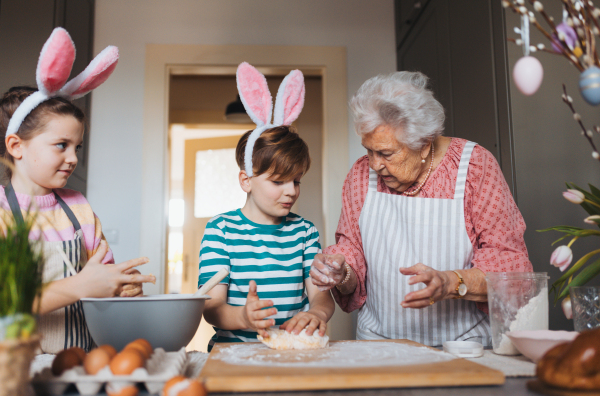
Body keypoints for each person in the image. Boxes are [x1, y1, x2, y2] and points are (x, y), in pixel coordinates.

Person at [310, 71, 533, 346]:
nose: (374, 164)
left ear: (424, 144)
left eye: (386, 153)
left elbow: (510, 265)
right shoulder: (360, 175)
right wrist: (339, 271)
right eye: (369, 150)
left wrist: (450, 282)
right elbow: (351, 250)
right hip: (379, 345)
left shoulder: (473, 167)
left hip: (462, 346)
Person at [0, 28, 155, 354]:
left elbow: (104, 276)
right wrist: (79, 286)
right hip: (16, 372)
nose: (73, 159)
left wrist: (121, 284)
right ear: (16, 146)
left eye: (77, 146)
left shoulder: (79, 208)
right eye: (61, 145)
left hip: (79, 362)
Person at [198, 63, 334, 349]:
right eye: (278, 181)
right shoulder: (220, 230)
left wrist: (316, 313)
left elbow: (321, 296)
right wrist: (243, 318)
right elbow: (211, 307)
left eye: (296, 181)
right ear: (246, 181)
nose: (291, 192)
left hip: (290, 353)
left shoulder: (305, 232)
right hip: (234, 353)